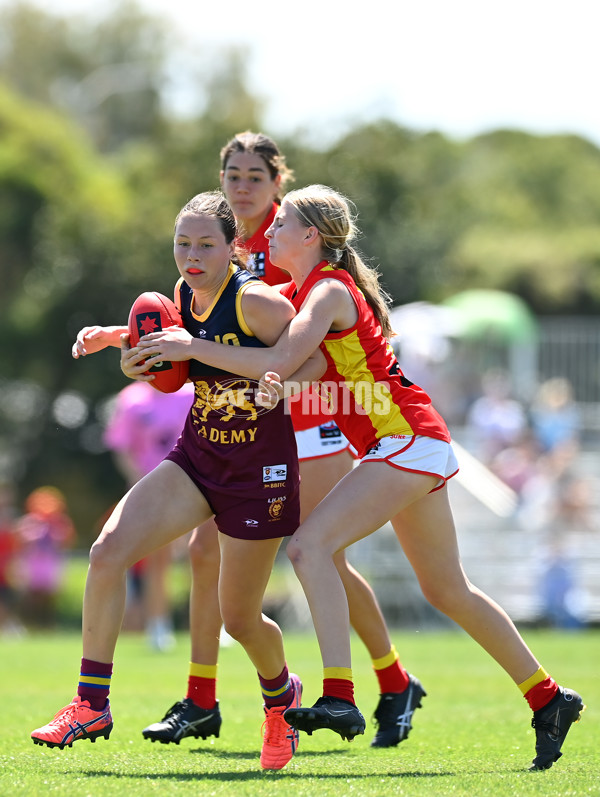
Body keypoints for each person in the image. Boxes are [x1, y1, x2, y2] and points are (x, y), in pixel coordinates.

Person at [140, 184, 585, 771]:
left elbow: (275, 360)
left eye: (282, 226)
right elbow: (303, 369)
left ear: (311, 237)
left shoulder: (324, 290)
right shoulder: (307, 294)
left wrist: (193, 346)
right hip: (409, 442)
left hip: (406, 442)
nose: (268, 232)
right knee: (447, 590)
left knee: (309, 548)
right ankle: (550, 698)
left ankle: (340, 696)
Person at [73, 131, 425, 751]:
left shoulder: (289, 242)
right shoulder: (204, 249)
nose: (240, 186)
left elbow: (314, 354)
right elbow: (183, 331)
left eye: (253, 177)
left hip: (300, 424)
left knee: (320, 557)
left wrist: (246, 371)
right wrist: (128, 343)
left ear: (277, 184)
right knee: (199, 556)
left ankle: (388, 679)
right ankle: (194, 699)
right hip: (219, 438)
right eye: (231, 174)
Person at [31, 191, 304, 771]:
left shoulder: (255, 301)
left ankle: (282, 701)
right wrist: (121, 343)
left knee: (239, 619)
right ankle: (91, 703)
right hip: (200, 457)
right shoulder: (179, 298)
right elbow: (172, 353)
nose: (192, 255)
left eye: (207, 244)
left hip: (260, 471)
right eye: (183, 243)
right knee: (107, 552)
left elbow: (318, 354)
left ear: (234, 247)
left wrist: (278, 379)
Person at [104, 380, 195, 650]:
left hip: (193, 484)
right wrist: (140, 483)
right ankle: (159, 625)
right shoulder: (131, 398)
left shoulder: (191, 392)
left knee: (203, 554)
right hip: (150, 488)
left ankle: (212, 624)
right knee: (158, 559)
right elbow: (122, 448)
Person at [15, 486, 76, 628]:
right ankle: (28, 624)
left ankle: (47, 624)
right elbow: (20, 538)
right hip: (33, 563)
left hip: (51, 563)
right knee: (31, 596)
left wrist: (54, 533)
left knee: (49, 597)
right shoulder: (30, 521)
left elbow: (67, 540)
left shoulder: (60, 522)